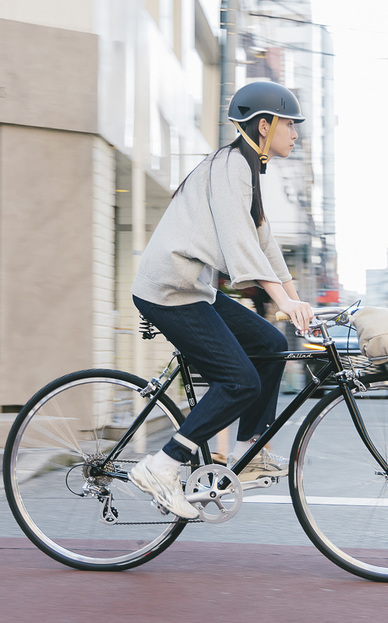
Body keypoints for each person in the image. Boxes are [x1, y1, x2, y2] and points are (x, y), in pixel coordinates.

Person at [128, 81, 314, 518]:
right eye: (290, 124)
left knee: (270, 344)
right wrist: (281, 299)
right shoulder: (231, 165)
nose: (295, 133)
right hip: (168, 290)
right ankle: (163, 465)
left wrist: (297, 302)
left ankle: (251, 455)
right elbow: (237, 242)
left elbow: (264, 243)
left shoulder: (247, 168)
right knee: (240, 381)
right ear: (264, 126)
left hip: (193, 289)